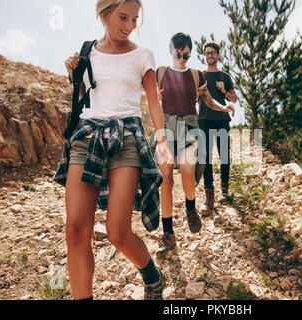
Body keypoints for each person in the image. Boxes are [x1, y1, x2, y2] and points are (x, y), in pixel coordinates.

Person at [53, 0, 173, 300]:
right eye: (123, 17)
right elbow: (84, 98)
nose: (129, 25)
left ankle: (152, 276)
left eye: (134, 19)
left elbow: (153, 101)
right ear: (104, 12)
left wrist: (161, 140)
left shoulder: (143, 54)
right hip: (87, 135)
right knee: (76, 232)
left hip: (127, 136)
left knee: (117, 232)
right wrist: (74, 75)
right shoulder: (86, 52)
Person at [155, 32, 235, 257]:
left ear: (190, 53)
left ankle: (191, 208)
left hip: (189, 126)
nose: (181, 57)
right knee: (166, 181)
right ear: (171, 51)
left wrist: (224, 107)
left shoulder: (196, 75)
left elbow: (207, 100)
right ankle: (168, 234)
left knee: (188, 169)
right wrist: (151, 94)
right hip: (166, 127)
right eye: (177, 53)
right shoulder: (160, 72)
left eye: (186, 54)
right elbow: (145, 94)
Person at [198, 41, 238, 216]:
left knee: (223, 156)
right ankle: (209, 196)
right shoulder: (199, 76)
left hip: (222, 119)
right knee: (205, 158)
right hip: (204, 120)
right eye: (207, 53)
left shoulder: (225, 76)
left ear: (219, 55)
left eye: (213, 52)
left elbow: (234, 99)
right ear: (204, 56)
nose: (210, 56)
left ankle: (225, 193)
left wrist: (224, 92)